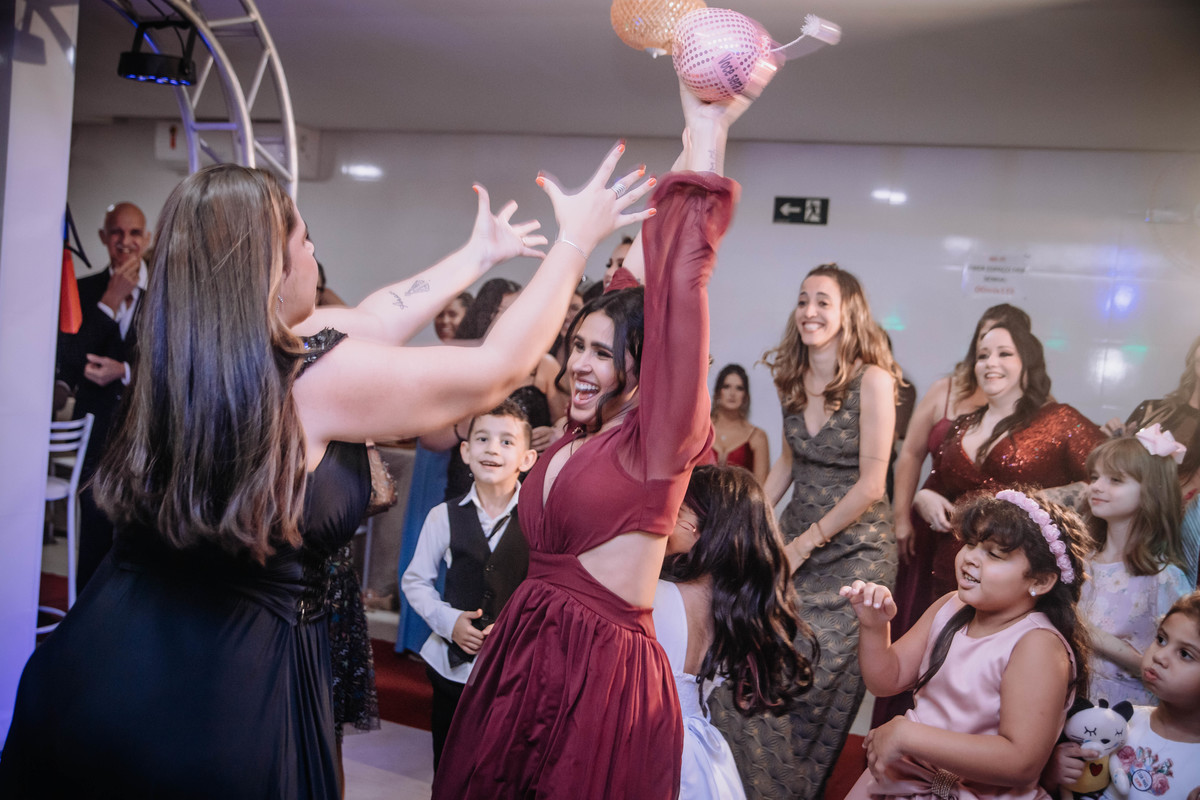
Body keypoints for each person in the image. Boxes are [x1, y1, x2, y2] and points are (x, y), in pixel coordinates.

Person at [0, 144, 645, 796]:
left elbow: (374, 317)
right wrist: (575, 240)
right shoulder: (307, 379)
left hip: (98, 660)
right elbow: (496, 369)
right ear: (270, 270)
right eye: (305, 241)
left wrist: (476, 256)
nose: (314, 252)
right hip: (217, 697)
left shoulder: (182, 349)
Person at [432, 82, 757, 800]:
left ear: (643, 367)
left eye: (601, 354)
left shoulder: (658, 441)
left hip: (597, 673)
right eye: (575, 346)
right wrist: (681, 146)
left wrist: (708, 130)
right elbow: (626, 294)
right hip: (525, 652)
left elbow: (678, 285)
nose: (578, 363)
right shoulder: (579, 431)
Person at [712, 264, 901, 800]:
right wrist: (747, 518)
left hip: (857, 556)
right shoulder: (791, 378)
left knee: (814, 688)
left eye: (822, 301)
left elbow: (871, 485)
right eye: (802, 300)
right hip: (795, 545)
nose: (809, 311)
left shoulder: (874, 380)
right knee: (760, 666)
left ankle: (796, 789)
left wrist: (802, 544)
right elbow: (789, 463)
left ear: (848, 313)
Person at [841, 488, 1092, 800]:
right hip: (904, 780)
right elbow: (885, 680)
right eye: (971, 544)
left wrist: (908, 736)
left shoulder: (1038, 644)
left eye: (994, 554)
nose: (971, 557)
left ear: (1039, 581)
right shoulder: (951, 606)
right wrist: (875, 626)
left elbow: (1022, 763)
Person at [878, 303, 1035, 726]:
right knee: (915, 632)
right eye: (984, 344)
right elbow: (913, 455)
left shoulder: (1037, 411)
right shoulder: (946, 392)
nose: (992, 358)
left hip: (991, 548)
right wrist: (905, 512)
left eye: (1005, 348)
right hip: (931, 537)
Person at [912, 321, 1105, 605]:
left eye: (1004, 353)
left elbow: (1111, 475)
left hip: (1015, 574)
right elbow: (940, 483)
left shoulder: (1060, 420)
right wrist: (923, 497)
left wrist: (1035, 503)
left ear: (1028, 363)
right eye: (982, 355)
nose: (990, 362)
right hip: (953, 564)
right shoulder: (961, 425)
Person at [654, 465, 814, 800]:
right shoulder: (734, 618)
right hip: (699, 756)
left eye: (678, 510)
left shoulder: (656, 598)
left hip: (653, 747)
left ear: (701, 530)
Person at [401, 401, 536, 769]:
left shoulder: (538, 521)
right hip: (451, 669)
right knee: (449, 765)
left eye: (507, 442)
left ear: (527, 459)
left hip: (514, 674)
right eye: (482, 439)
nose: (492, 449)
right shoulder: (442, 516)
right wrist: (450, 622)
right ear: (465, 451)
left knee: (499, 771)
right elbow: (416, 581)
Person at [55, 201, 151, 591]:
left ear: (146, 239)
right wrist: (109, 303)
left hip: (144, 436)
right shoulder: (82, 290)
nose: (125, 241)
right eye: (116, 232)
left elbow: (169, 366)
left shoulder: (163, 298)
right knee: (94, 529)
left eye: (134, 233)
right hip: (93, 436)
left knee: (139, 537)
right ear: (102, 237)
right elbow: (71, 360)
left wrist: (123, 371)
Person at [1046, 591, 1200, 800]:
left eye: (1185, 654)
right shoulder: (1119, 722)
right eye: (1161, 639)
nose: (1159, 656)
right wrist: (1053, 774)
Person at [1080, 430, 1191, 706]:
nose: (1096, 487)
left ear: (1151, 490)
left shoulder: (1162, 577)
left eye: (1115, 480)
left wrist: (1092, 636)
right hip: (1069, 698)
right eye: (1095, 477)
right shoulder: (1081, 561)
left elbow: (1179, 667)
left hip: (1127, 710)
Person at [1106, 335, 1200, 507]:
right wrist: (1117, 443)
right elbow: (1116, 469)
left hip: (1182, 516)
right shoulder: (1151, 410)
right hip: (1133, 509)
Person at [709, 363, 770, 483]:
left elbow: (761, 488)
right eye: (727, 386)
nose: (732, 393)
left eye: (739, 388)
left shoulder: (757, 437)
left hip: (743, 496)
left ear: (745, 396)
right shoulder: (701, 431)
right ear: (718, 392)